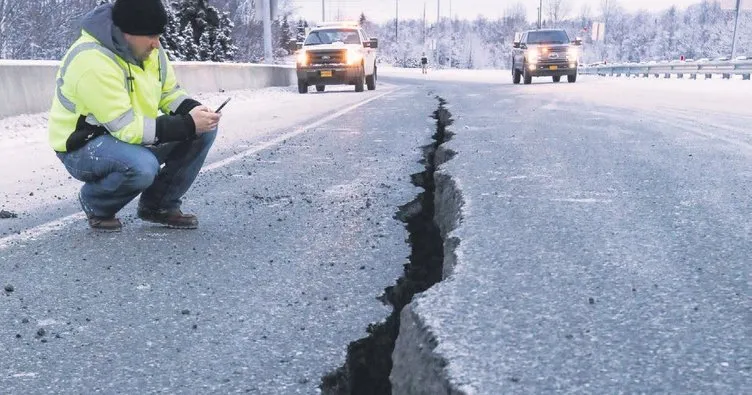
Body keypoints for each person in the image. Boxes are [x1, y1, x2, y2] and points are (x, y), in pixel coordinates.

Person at [48, 0, 221, 232]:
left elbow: (169, 92)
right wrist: (187, 125)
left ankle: (158, 206)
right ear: (127, 32)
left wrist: (193, 111)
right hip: (83, 146)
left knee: (203, 131)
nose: (156, 44)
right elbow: (125, 127)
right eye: (151, 35)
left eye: (158, 35)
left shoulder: (150, 51)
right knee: (143, 166)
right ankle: (96, 202)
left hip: (126, 137)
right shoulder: (91, 60)